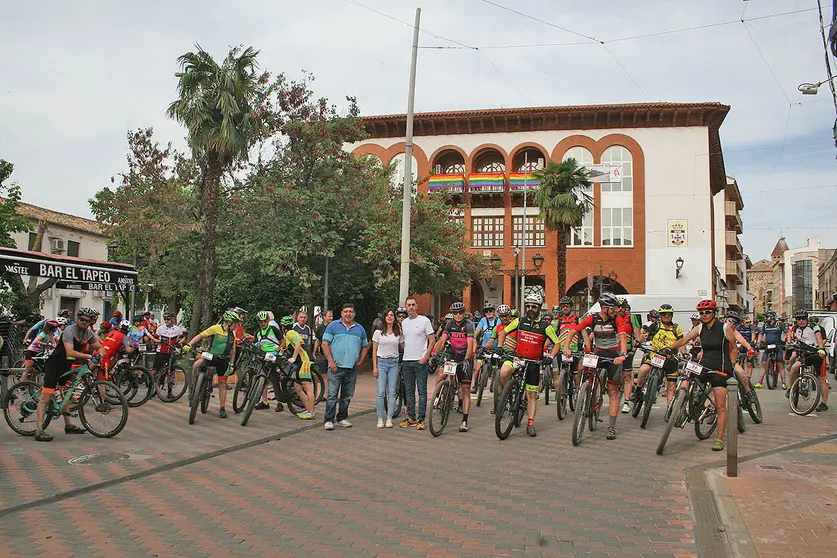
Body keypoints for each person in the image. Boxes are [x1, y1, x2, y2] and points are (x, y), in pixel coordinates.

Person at [668, 299, 738, 452]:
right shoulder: (700, 328)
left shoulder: (725, 327)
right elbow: (684, 340)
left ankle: (718, 439)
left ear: (714, 313)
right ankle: (681, 402)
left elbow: (733, 348)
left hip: (721, 368)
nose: (704, 315)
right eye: (701, 313)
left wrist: (731, 367)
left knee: (720, 406)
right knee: (686, 376)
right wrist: (669, 348)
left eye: (707, 312)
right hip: (704, 365)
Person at [563, 293, 629, 440]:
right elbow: (573, 331)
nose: (615, 311)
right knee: (584, 368)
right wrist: (566, 347)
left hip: (613, 355)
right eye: (612, 308)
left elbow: (623, 337)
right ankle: (586, 391)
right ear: (604, 308)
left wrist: (623, 354)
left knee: (613, 390)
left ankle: (611, 427)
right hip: (598, 353)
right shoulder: (592, 318)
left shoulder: (616, 319)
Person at [494, 294, 560, 437]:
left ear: (539, 308)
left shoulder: (545, 326)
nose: (530, 309)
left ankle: (530, 423)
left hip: (534, 363)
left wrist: (551, 357)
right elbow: (503, 332)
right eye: (528, 306)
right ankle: (510, 393)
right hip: (517, 358)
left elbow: (557, 343)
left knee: (531, 395)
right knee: (504, 371)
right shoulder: (519, 321)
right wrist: (500, 345)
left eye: (534, 307)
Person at [34, 308, 103, 442]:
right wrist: (89, 356)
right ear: (77, 318)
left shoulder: (88, 333)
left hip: (66, 367)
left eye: (87, 321)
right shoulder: (69, 331)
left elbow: (100, 347)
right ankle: (39, 430)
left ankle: (68, 425)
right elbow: (70, 352)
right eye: (81, 319)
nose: (84, 322)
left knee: (66, 395)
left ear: (91, 322)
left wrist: (99, 355)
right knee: (45, 398)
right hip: (54, 366)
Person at [321, 303, 369, 430]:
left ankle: (342, 417)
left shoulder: (359, 329)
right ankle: (328, 420)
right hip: (335, 367)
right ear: (342, 313)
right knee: (332, 395)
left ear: (354, 314)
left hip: (351, 368)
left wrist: (360, 360)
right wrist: (331, 362)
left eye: (351, 312)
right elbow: (325, 344)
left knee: (347, 395)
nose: (348, 314)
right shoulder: (333, 326)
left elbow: (365, 346)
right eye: (346, 311)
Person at [184, 310, 239, 419]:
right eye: (235, 323)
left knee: (222, 383)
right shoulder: (215, 328)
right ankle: (193, 388)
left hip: (223, 360)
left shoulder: (233, 334)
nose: (236, 326)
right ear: (228, 322)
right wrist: (189, 345)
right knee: (196, 365)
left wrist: (232, 364)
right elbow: (200, 336)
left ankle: (222, 408)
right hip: (211, 356)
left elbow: (233, 350)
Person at [432, 301, 477, 432]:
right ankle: (441, 394)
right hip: (453, 355)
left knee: (465, 389)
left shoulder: (469, 325)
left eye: (460, 313)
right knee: (442, 374)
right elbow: (442, 340)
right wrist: (435, 354)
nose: (458, 315)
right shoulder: (449, 324)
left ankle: (464, 420)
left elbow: (470, 344)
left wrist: (467, 360)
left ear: (464, 313)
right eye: (455, 313)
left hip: (465, 357)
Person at [633, 304, 684, 406]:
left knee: (671, 386)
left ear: (671, 315)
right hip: (655, 355)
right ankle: (638, 391)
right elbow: (644, 335)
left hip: (671, 358)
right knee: (643, 369)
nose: (666, 316)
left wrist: (684, 353)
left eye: (668, 314)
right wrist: (637, 341)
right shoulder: (655, 325)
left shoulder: (676, 328)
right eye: (664, 314)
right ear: (660, 315)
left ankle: (670, 411)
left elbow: (681, 342)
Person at [399, 296, 435, 430]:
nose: (411, 307)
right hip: (407, 361)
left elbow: (432, 340)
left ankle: (421, 420)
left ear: (417, 306)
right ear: (406, 307)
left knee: (422, 391)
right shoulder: (404, 323)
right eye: (408, 305)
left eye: (413, 305)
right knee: (409, 392)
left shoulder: (424, 321)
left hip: (420, 361)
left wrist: (426, 356)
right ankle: (411, 417)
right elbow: (403, 340)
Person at [787, 310, 828, 412]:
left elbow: (819, 338)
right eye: (798, 319)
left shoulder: (814, 326)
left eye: (803, 319)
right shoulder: (796, 328)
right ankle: (792, 389)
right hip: (804, 353)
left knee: (821, 379)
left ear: (807, 318)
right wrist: (790, 343)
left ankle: (824, 403)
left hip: (816, 352)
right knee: (794, 368)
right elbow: (792, 336)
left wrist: (821, 349)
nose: (801, 321)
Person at [279, 315, 316, 419]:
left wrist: (294, 358)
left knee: (308, 388)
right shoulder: (289, 334)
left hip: (304, 362)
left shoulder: (291, 333)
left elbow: (298, 345)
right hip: (300, 363)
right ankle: (308, 409)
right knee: (298, 388)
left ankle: (312, 412)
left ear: (283, 326)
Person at [372, 308, 403, 428]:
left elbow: (404, 345)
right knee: (380, 392)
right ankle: (380, 418)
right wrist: (375, 367)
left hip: (394, 363)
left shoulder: (398, 332)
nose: (390, 317)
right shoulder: (378, 333)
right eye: (387, 315)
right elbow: (374, 350)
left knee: (392, 392)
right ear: (384, 317)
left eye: (392, 315)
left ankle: (389, 418)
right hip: (382, 363)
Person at [253, 310, 285, 412]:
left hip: (274, 356)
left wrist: (279, 348)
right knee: (263, 377)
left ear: (268, 320)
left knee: (275, 378)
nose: (263, 323)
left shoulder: (273, 329)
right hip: (263, 356)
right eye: (261, 321)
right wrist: (256, 345)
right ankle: (265, 401)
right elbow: (255, 343)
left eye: (265, 321)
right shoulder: (257, 332)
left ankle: (279, 402)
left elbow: (283, 340)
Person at [152, 312, 185, 392]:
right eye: (165, 319)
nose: (166, 321)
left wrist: (179, 343)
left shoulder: (177, 329)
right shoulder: (160, 328)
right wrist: (159, 341)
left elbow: (183, 337)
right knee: (154, 371)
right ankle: (150, 389)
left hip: (171, 353)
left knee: (170, 373)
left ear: (172, 320)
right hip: (161, 352)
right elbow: (154, 339)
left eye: (168, 319)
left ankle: (169, 393)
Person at [754, 311, 786, 389]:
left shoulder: (779, 325)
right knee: (763, 363)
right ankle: (760, 382)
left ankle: (783, 383)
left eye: (767, 317)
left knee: (780, 364)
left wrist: (787, 341)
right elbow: (761, 334)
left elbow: (787, 333)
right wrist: (758, 343)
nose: (765, 318)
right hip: (768, 346)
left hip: (778, 346)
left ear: (772, 317)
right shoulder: (765, 325)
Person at [472, 303, 500, 394]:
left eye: (490, 311)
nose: (488, 312)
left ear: (493, 311)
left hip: (495, 348)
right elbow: (477, 330)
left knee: (495, 367)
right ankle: (475, 385)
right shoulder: (483, 320)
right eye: (486, 311)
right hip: (484, 348)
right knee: (477, 368)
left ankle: (494, 382)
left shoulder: (498, 321)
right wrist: (473, 337)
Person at [313, 309, 334, 376]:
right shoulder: (320, 328)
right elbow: (317, 340)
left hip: (334, 354)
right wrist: (314, 352)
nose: (331, 318)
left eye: (332, 316)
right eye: (329, 316)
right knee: (323, 374)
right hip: (323, 354)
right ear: (324, 317)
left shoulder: (335, 327)